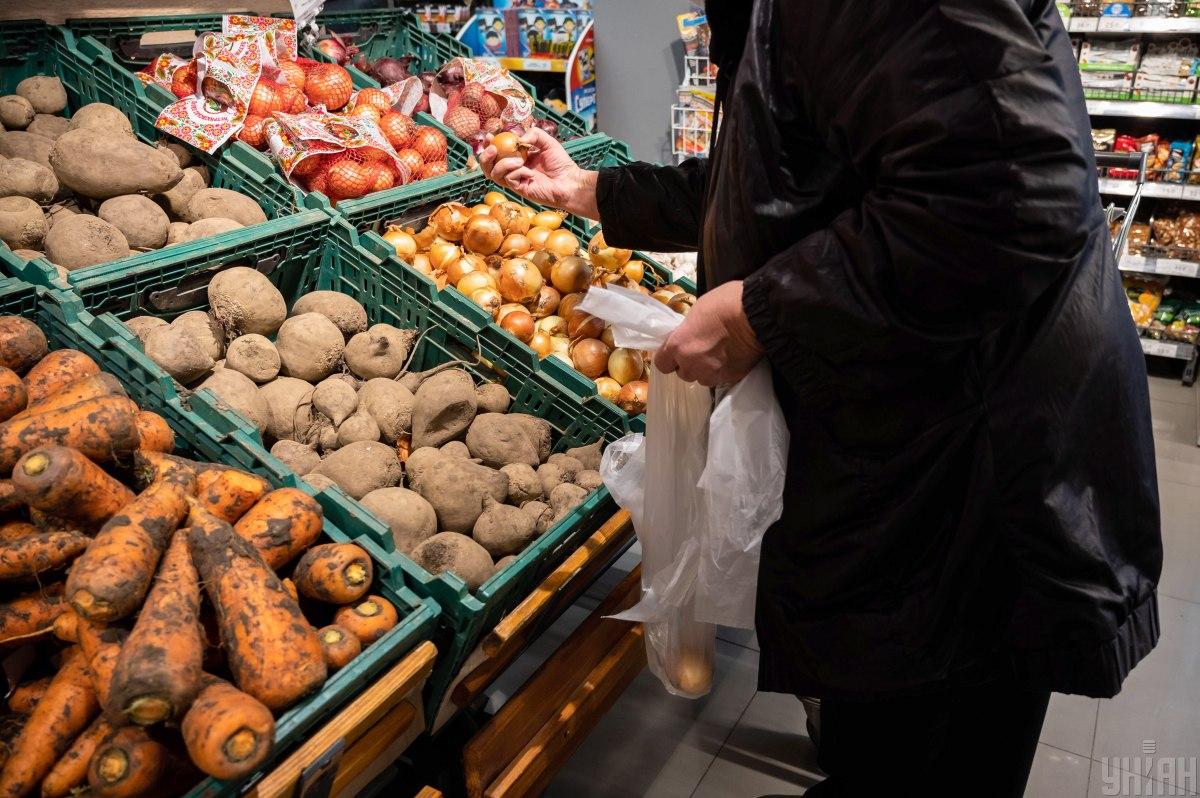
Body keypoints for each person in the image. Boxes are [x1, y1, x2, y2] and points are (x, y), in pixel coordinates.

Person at [480, 1, 1163, 795]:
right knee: (882, 737)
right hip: (909, 448)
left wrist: (757, 312)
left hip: (976, 474)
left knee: (938, 747)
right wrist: (598, 191)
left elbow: (1008, 200)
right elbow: (795, 176)